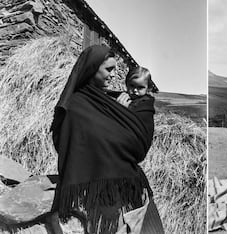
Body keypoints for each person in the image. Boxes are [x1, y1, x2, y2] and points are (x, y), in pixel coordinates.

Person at [49, 45, 164, 233]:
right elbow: (78, 142)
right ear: (93, 68)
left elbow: (136, 142)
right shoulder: (79, 104)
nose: (112, 76)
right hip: (98, 194)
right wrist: (119, 115)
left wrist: (120, 112)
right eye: (109, 69)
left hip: (123, 190)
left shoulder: (110, 100)